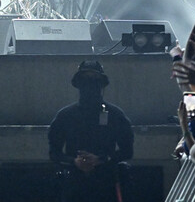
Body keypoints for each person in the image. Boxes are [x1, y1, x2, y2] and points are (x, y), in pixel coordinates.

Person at [48, 61, 133, 202]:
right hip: (74, 185)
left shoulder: (115, 115)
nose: (89, 84)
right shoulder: (65, 116)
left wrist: (100, 160)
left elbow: (127, 151)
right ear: (78, 83)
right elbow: (54, 153)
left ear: (101, 84)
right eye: (85, 79)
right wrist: (75, 162)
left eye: (94, 79)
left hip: (106, 185)